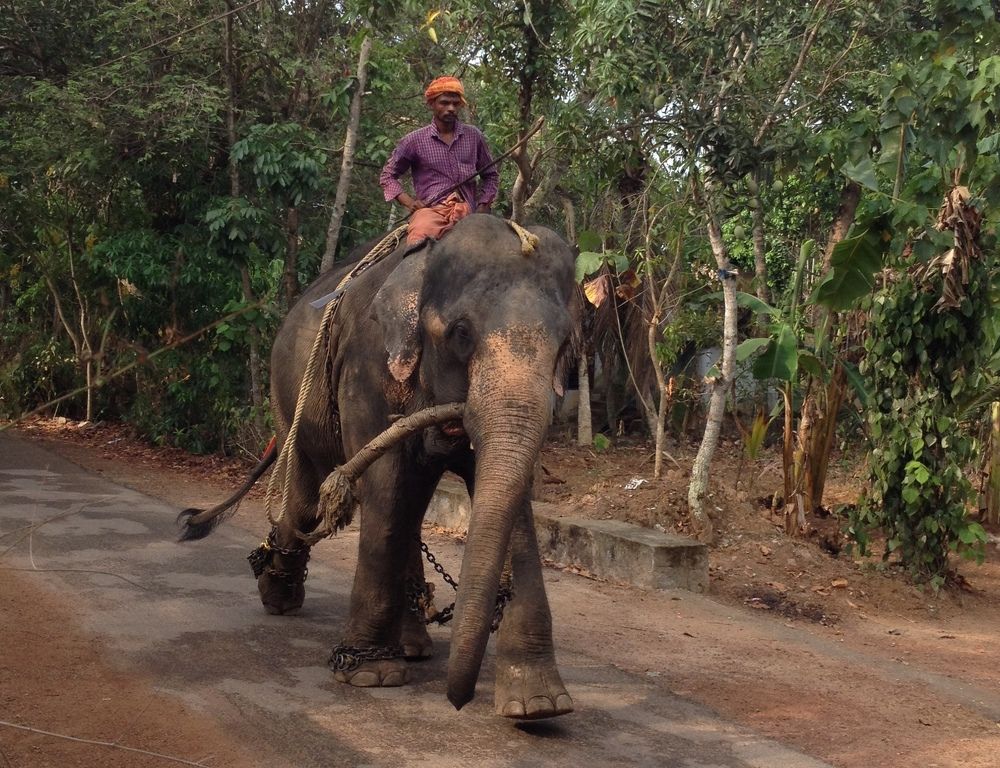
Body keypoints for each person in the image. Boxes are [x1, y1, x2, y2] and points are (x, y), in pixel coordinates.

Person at [379, 76, 499, 245]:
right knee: (418, 244)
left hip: (469, 213)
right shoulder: (414, 141)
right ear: (432, 104)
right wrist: (410, 203)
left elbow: (491, 175)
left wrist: (483, 205)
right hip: (431, 212)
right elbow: (388, 176)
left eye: (456, 104)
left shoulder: (474, 136)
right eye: (444, 103)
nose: (451, 108)